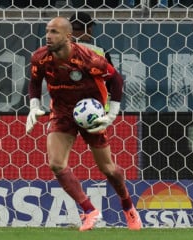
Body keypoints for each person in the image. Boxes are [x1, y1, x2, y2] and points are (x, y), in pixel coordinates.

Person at [26, 16, 142, 231]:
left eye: (54, 32)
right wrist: (34, 105)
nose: (48, 36)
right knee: (56, 163)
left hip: (91, 115)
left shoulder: (88, 58)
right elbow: (35, 81)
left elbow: (116, 80)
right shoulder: (40, 57)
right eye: (47, 31)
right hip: (62, 112)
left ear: (68, 36)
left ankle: (128, 207)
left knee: (108, 168)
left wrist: (111, 114)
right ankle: (90, 211)